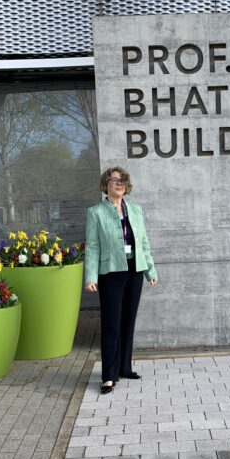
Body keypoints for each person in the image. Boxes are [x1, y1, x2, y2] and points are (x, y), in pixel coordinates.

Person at [84, 166, 158, 394]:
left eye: (122, 180)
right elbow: (93, 246)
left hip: (135, 270)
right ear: (106, 184)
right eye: (114, 180)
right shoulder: (95, 212)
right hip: (111, 273)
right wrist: (90, 276)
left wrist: (151, 271)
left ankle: (125, 367)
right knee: (111, 325)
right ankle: (108, 375)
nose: (119, 183)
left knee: (128, 321)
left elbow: (143, 242)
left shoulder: (135, 210)